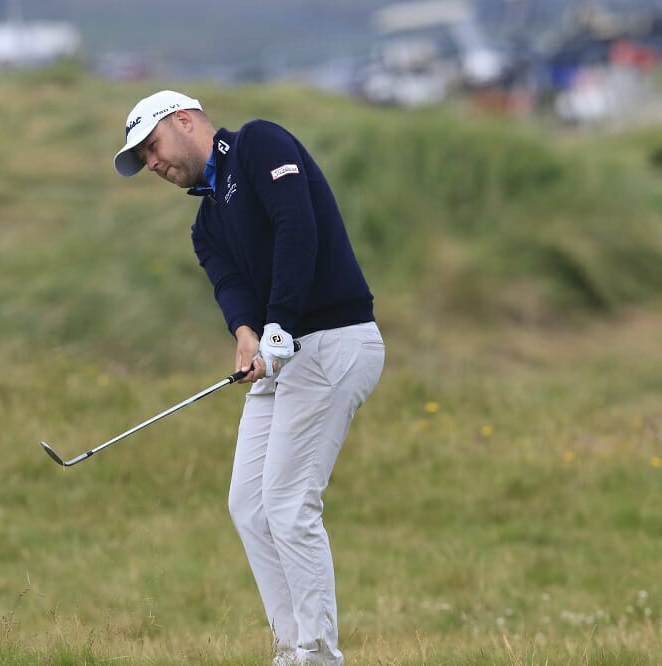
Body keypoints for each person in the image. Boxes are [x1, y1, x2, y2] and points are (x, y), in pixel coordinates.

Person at [113, 90, 385, 665]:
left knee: (288, 503)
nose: (153, 164)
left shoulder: (259, 143)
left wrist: (278, 322)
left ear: (184, 122)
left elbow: (295, 226)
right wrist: (246, 333)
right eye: (143, 160)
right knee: (249, 506)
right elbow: (230, 286)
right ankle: (291, 650)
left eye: (153, 148)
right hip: (286, 354)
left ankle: (317, 655)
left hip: (334, 339)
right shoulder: (206, 223)